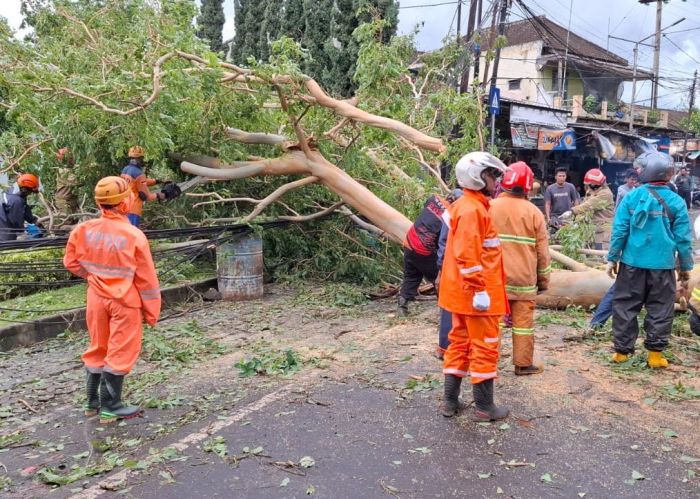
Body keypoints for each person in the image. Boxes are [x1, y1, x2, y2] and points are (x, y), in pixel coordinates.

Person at [64, 176, 161, 423]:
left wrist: (94, 277)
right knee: (121, 350)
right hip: (124, 301)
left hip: (95, 297)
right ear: (124, 203)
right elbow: (146, 280)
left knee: (98, 347)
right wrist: (151, 312)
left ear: (100, 204)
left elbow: (71, 262)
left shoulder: (82, 230)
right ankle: (111, 406)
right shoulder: (133, 235)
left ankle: (91, 404)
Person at [438, 151, 509, 420]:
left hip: (462, 293)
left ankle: (449, 402)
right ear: (478, 177)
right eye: (492, 175)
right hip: (477, 295)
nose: (496, 181)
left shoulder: (471, 206)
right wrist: (479, 289)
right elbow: (467, 255)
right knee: (485, 345)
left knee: (459, 343)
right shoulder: (471, 209)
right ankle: (484, 406)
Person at [607, 153, 692, 369]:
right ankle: (655, 356)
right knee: (661, 309)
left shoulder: (631, 197)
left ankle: (622, 353)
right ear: (669, 174)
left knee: (625, 306)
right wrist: (685, 269)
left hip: (631, 265)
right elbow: (683, 240)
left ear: (645, 171)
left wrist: (612, 258)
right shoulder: (677, 202)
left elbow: (619, 231)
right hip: (662, 267)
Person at [489, 162, 550, 375]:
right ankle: (523, 364)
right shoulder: (534, 212)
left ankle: (488, 364)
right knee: (523, 325)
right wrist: (544, 282)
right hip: (524, 281)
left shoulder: (490, 207)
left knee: (492, 324)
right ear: (528, 186)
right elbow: (543, 252)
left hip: (494, 279)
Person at [397, 192, 456, 316]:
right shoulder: (449, 215)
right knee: (441, 279)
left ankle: (402, 305)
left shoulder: (433, 198)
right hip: (424, 250)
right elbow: (443, 242)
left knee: (411, 275)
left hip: (409, 242)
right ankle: (445, 311)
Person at [434, 189, 465, 357]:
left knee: (449, 307)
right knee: (450, 308)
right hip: (455, 267)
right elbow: (444, 243)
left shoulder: (452, 212)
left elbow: (443, 243)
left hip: (453, 266)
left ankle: (448, 348)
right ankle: (448, 347)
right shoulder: (457, 212)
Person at [121, 146, 180, 228]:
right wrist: (161, 195)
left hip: (123, 208)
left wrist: (158, 181)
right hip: (133, 210)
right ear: (140, 158)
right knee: (132, 236)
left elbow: (137, 183)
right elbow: (147, 196)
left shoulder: (125, 170)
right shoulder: (138, 173)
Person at [563, 168, 614, 250]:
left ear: (595, 184)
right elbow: (584, 203)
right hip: (594, 228)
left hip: (603, 230)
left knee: (601, 254)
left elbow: (589, 205)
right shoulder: (592, 190)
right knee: (591, 253)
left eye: (590, 184)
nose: (588, 186)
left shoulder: (606, 194)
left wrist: (572, 211)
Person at [0, 173, 41, 241]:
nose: (30, 194)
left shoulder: (15, 192)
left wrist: (34, 220)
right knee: (10, 245)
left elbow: (24, 209)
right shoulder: (16, 200)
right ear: (25, 189)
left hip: (6, 226)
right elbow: (16, 221)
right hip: (4, 232)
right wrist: (22, 233)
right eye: (30, 192)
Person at [55, 147, 80, 218]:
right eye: (71, 157)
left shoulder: (69, 168)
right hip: (64, 201)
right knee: (67, 221)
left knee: (75, 220)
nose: (73, 159)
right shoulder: (62, 171)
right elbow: (75, 182)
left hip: (71, 199)